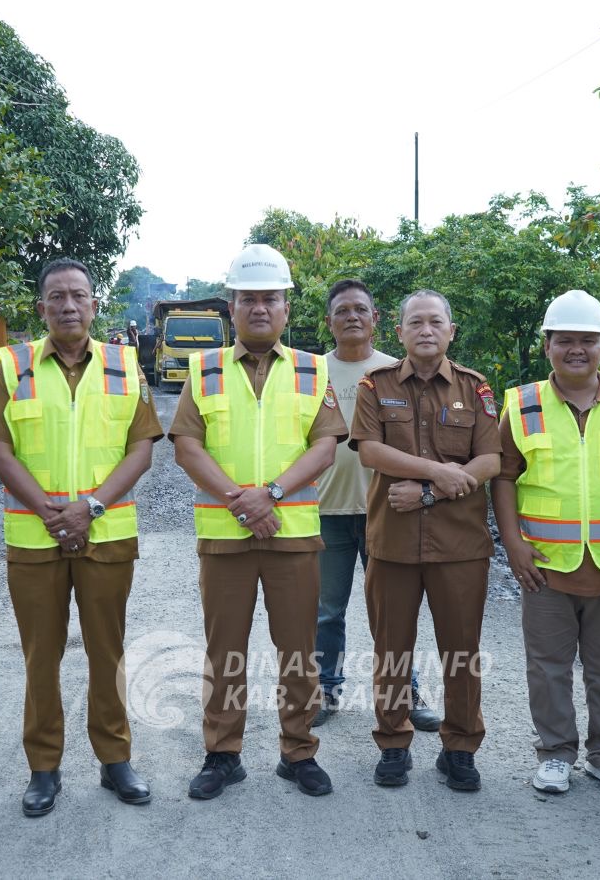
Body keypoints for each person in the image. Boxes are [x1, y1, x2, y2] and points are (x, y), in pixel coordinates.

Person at [0, 258, 162, 817]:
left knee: (108, 652)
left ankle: (115, 760)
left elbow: (142, 448)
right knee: (41, 657)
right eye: (56, 297)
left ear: (94, 304)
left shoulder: (126, 364)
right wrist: (47, 510)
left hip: (106, 533)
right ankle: (43, 768)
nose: (68, 306)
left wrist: (92, 506)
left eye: (78, 296)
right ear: (41, 308)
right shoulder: (11, 365)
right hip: (34, 539)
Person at [170, 243, 342, 800]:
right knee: (227, 653)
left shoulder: (314, 371)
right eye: (249, 299)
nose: (260, 308)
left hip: (293, 536)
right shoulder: (205, 369)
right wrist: (238, 500)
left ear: (287, 308)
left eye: (271, 298)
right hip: (225, 536)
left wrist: (269, 494)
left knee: (297, 652)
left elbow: (325, 447)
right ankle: (223, 755)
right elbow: (187, 447)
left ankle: (298, 753)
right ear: (232, 307)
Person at [491, 290, 600, 797]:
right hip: (546, 564)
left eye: (587, 341)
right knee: (548, 667)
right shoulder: (523, 403)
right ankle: (555, 753)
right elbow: (505, 478)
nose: (576, 350)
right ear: (547, 345)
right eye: (565, 341)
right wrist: (511, 542)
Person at [351, 289, 502, 791]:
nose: (426, 330)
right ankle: (393, 743)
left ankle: (460, 747)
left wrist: (428, 492)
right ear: (398, 332)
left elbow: (488, 461)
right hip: (391, 544)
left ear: (450, 331)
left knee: (461, 651)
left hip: (460, 547)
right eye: (415, 322)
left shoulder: (474, 388)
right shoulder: (375, 385)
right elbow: (371, 451)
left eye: (436, 322)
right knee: (392, 650)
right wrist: (439, 471)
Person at [310, 279, 438, 732]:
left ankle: (408, 692)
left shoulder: (397, 370)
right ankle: (325, 690)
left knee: (394, 611)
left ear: (376, 319)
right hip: (324, 510)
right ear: (329, 322)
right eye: (342, 310)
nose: (351, 317)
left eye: (360, 309)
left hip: (388, 512)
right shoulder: (310, 372)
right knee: (326, 610)